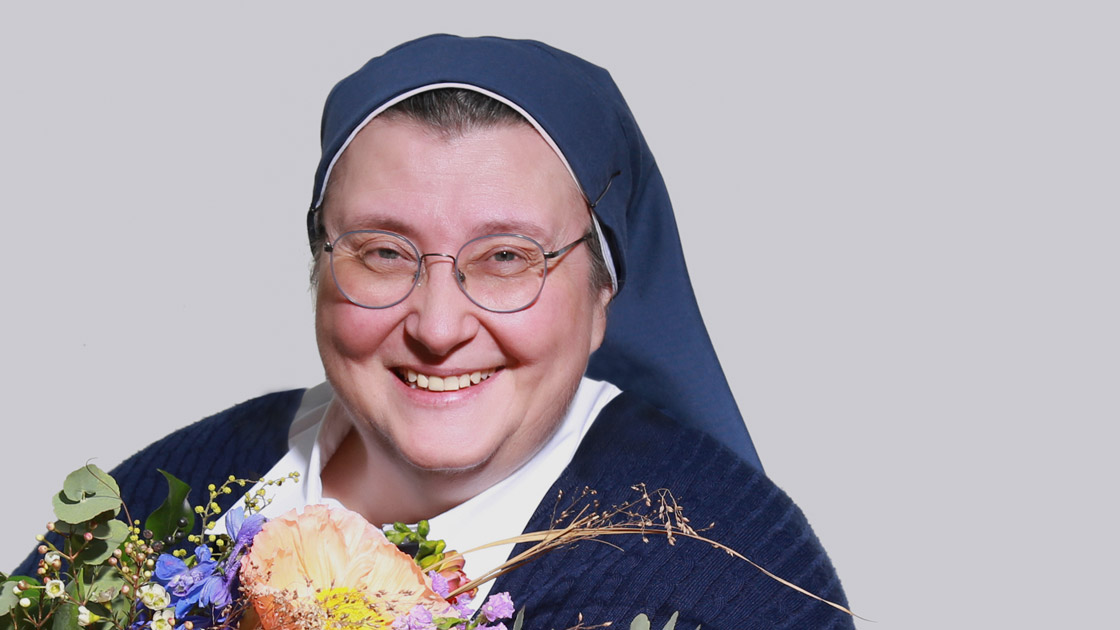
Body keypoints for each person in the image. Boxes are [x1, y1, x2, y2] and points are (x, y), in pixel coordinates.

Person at [16, 35, 852, 628]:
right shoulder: (184, 482)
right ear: (320, 265)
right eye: (384, 253)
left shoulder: (723, 576)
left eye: (506, 258)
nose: (439, 327)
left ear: (603, 293)